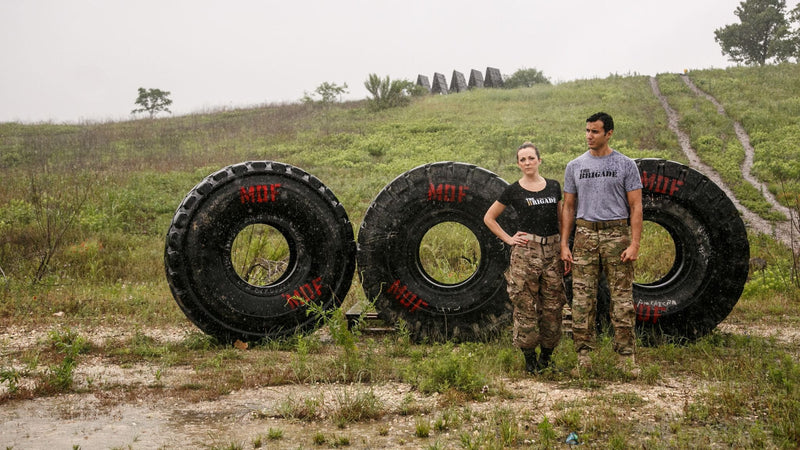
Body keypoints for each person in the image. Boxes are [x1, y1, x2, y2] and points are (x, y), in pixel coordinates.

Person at [560, 112, 643, 377]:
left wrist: (635, 244)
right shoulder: (574, 166)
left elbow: (636, 206)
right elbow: (569, 208)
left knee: (621, 299)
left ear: (609, 134)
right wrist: (565, 243)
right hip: (585, 236)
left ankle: (626, 358)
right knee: (582, 299)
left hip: (616, 235)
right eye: (587, 131)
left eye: (595, 132)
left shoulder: (625, 165)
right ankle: (584, 358)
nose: (589, 136)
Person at [484, 142, 567, 374]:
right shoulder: (513, 190)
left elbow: (561, 219)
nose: (527, 163)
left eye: (531, 158)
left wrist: (564, 247)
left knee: (553, 307)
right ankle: (530, 360)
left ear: (540, 160)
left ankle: (547, 359)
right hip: (525, 253)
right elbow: (489, 218)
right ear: (518, 164)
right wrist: (509, 239)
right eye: (523, 159)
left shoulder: (553, 186)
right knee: (524, 307)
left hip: (551, 252)